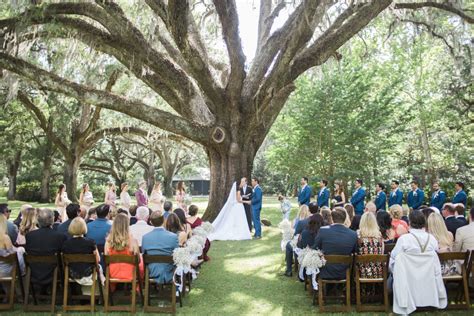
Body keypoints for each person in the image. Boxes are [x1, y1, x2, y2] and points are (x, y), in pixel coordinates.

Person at [389, 210, 446, 314]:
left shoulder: (404, 239)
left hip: (408, 275)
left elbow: (394, 256)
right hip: (428, 275)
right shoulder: (431, 238)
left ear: (410, 222)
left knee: (395, 260)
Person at [25, 208, 67, 287]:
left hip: (34, 272)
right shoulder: (60, 236)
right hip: (53, 272)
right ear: (52, 219)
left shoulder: (29, 236)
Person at [313, 208, 358, 280]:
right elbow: (355, 251)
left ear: (332, 218)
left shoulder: (323, 230)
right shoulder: (353, 234)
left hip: (325, 270)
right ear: (345, 218)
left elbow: (315, 248)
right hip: (344, 272)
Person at [104, 214, 142, 287]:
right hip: (130, 273)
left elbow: (106, 259)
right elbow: (138, 260)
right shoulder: (133, 241)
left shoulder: (108, 241)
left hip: (113, 272)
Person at [142, 212, 179, 284]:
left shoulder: (145, 237)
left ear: (151, 222)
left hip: (152, 270)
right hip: (168, 269)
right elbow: (177, 253)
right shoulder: (173, 236)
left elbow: (144, 252)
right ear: (164, 220)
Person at [0, 215, 24, 296]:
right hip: (4, 271)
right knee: (20, 254)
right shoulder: (4, 238)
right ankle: (20, 294)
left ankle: (8, 295)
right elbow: (12, 256)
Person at [357, 212, 384, 279]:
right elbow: (382, 252)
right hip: (378, 272)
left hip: (361, 272)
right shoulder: (379, 235)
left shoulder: (358, 234)